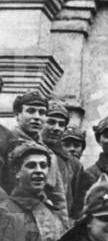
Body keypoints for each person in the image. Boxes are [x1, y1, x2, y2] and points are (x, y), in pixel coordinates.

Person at [2, 90, 68, 222]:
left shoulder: (49, 154)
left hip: (41, 220)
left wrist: (63, 225)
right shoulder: (5, 144)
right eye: (31, 111)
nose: (37, 117)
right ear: (17, 114)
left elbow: (58, 197)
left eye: (42, 112)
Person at [41, 100, 92, 219]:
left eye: (61, 124)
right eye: (51, 122)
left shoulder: (72, 163)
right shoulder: (26, 151)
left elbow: (76, 202)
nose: (56, 128)